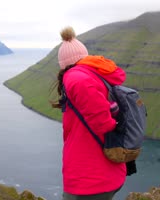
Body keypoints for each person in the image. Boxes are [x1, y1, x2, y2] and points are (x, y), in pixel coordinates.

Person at [52, 26, 127, 200]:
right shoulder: (95, 75)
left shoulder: (76, 78)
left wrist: (108, 123)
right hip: (106, 170)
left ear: (64, 63)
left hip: (90, 178)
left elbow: (102, 121)